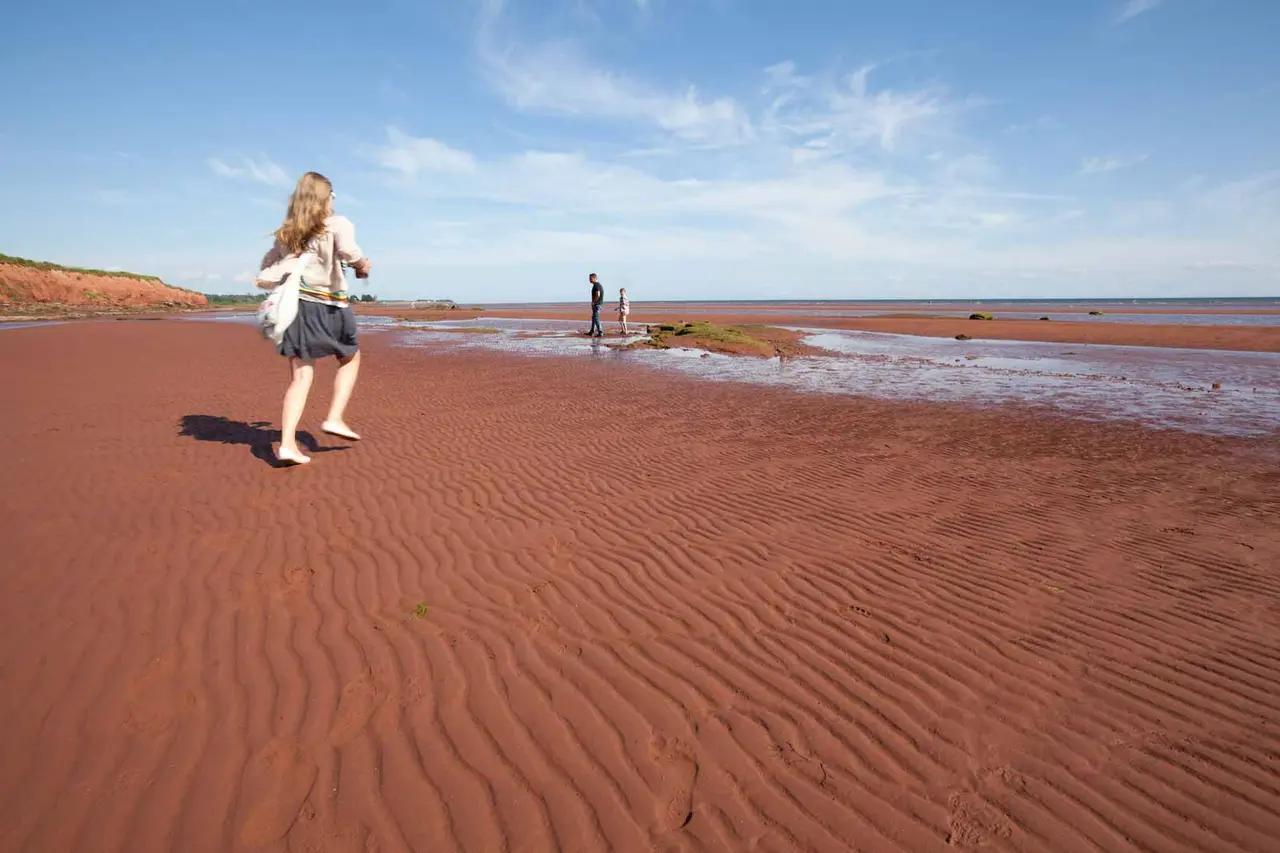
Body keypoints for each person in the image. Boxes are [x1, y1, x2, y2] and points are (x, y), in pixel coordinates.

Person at [257, 172, 372, 465]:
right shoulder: (337, 224)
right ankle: (334, 417)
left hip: (297, 308)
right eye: (332, 196)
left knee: (301, 376)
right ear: (325, 197)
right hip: (330, 306)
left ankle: (286, 444)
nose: (334, 201)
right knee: (351, 358)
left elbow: (267, 267)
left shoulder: (288, 232)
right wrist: (362, 264)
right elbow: (348, 251)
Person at [588, 272, 604, 337]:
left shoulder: (597, 285)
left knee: (596, 318)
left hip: (597, 304)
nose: (589, 280)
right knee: (594, 318)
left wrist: (594, 302)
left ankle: (600, 332)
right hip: (597, 304)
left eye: (590, 278)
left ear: (594, 278)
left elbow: (598, 294)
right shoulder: (596, 285)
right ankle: (592, 331)